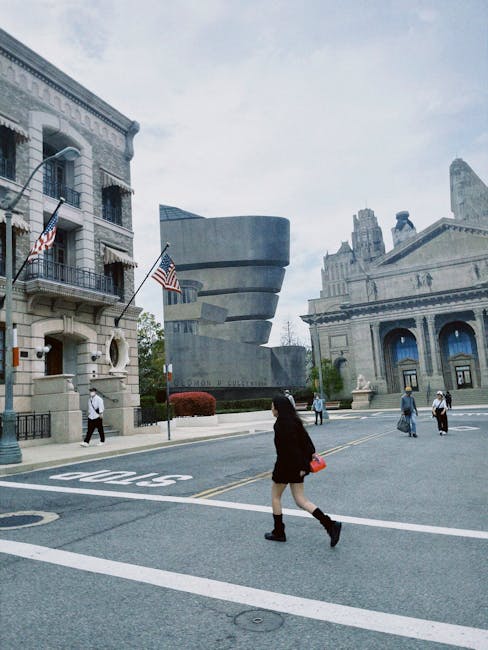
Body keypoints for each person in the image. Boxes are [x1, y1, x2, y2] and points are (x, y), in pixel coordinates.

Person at [264, 394, 341, 547]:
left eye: (273, 405)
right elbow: (308, 445)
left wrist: (299, 466)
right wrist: (303, 467)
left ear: (278, 408)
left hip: (285, 467)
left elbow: (288, 451)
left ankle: (279, 532)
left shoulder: (280, 425)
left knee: (275, 497)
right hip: (298, 466)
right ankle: (329, 524)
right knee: (301, 500)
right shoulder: (295, 422)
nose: (271, 408)